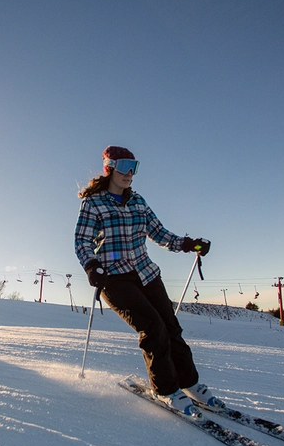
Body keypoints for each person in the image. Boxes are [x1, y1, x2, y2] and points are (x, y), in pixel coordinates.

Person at [74, 145, 223, 418]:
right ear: (109, 168)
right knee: (153, 328)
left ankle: (189, 383)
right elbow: (82, 241)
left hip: (147, 273)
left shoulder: (138, 201)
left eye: (134, 166)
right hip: (114, 278)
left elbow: (160, 233)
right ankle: (165, 389)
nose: (130, 173)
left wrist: (188, 244)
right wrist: (91, 266)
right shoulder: (93, 203)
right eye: (124, 166)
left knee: (171, 327)